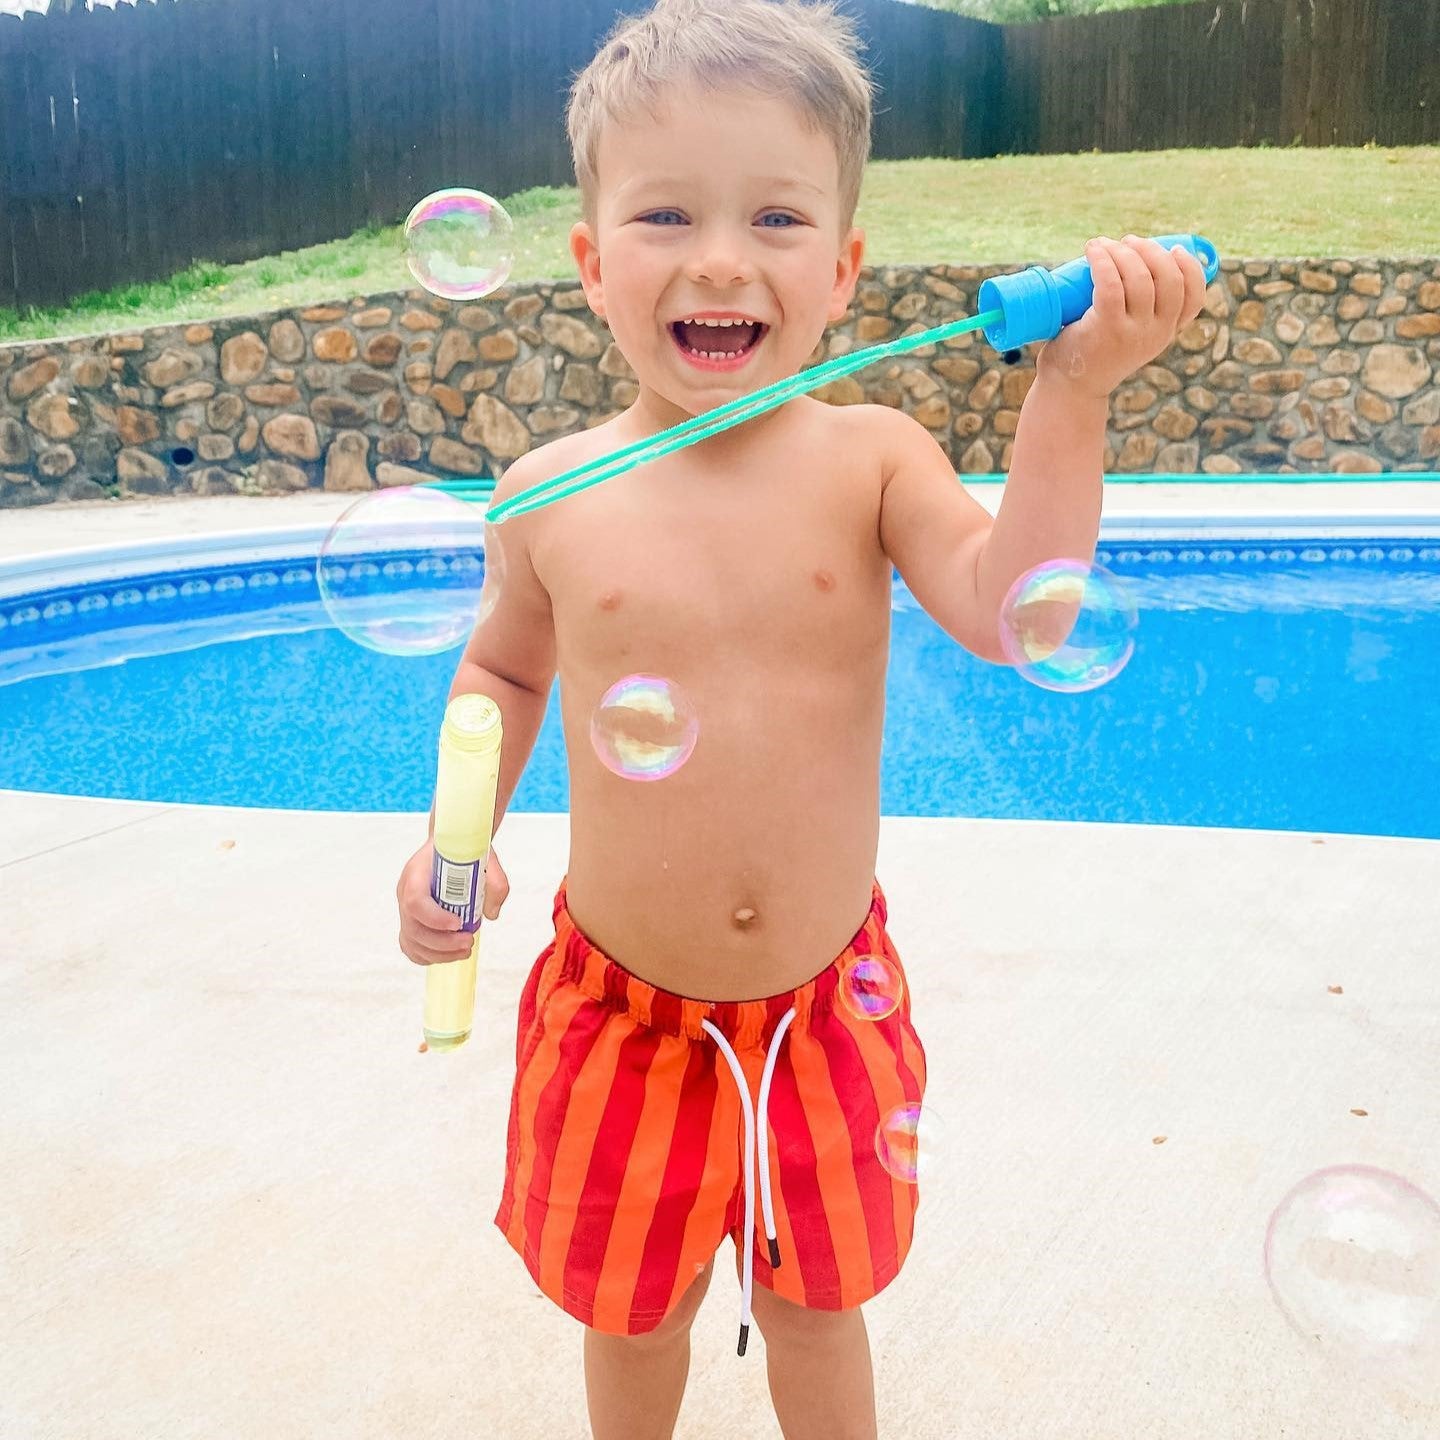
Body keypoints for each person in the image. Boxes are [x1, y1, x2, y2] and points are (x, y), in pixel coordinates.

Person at [396, 1, 1207, 1435]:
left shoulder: (873, 459)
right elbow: (507, 675)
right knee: (633, 1318)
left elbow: (1017, 613)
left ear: (840, 268)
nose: (721, 257)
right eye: (665, 215)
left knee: (819, 1309)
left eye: (776, 217)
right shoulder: (550, 490)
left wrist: (1071, 394)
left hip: (829, 1016)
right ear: (591, 264)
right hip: (619, 1015)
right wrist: (454, 839)